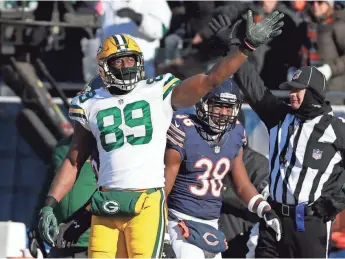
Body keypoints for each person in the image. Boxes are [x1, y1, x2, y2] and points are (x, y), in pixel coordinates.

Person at [37, 10, 284, 258]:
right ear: (104, 66)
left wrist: (245, 48)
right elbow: (73, 161)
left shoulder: (159, 91)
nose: (125, 67)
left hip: (147, 202)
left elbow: (211, 79)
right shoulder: (90, 102)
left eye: (130, 60)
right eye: (118, 62)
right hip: (106, 202)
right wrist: (50, 204)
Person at [211, 15, 345, 257]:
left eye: (298, 91)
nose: (292, 95)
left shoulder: (335, 128)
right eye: (290, 90)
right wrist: (233, 48)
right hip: (274, 219)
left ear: (313, 92)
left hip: (309, 223)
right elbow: (253, 87)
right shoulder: (279, 117)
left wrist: (337, 199)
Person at [164, 78, 279, 259]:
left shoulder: (236, 133)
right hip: (181, 221)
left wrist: (265, 209)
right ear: (203, 103)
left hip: (212, 224)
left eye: (228, 107)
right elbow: (164, 186)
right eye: (218, 106)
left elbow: (241, 185)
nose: (223, 113)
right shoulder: (184, 129)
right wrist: (162, 226)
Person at [219, 110, 269, 258]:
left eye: (230, 126)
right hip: (206, 239)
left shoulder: (258, 164)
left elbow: (263, 203)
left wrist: (222, 192)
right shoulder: (206, 158)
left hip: (240, 243)